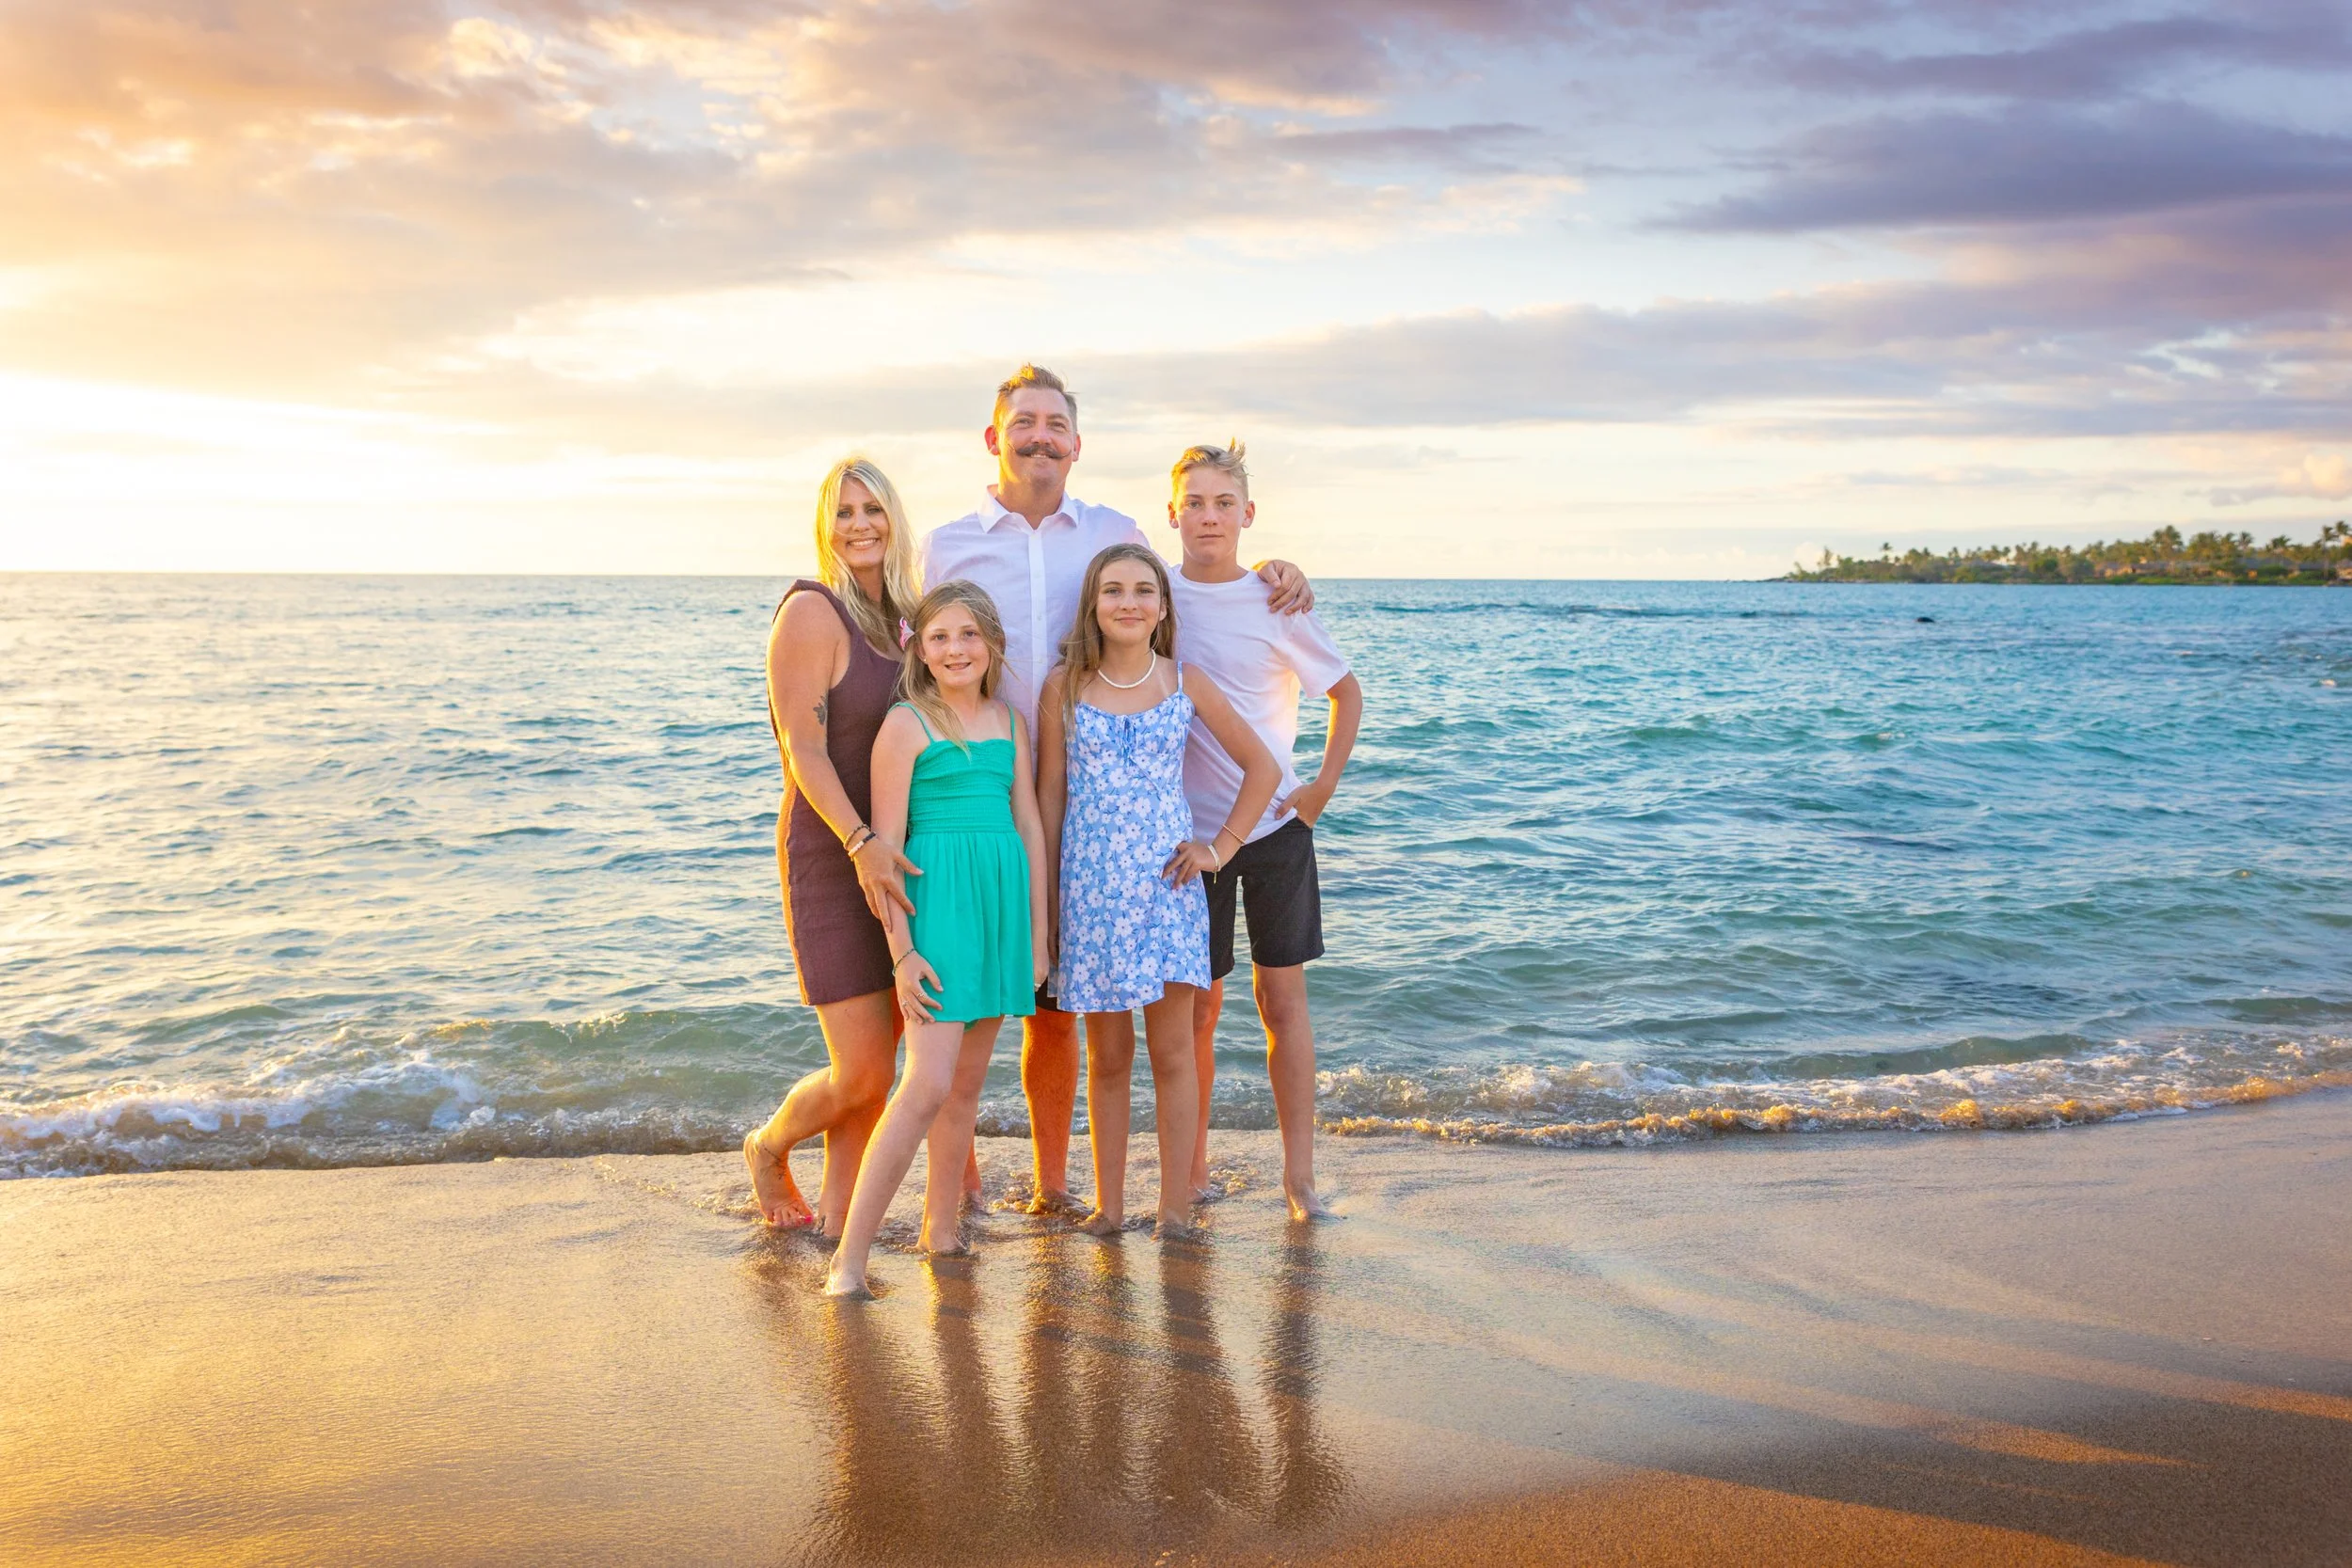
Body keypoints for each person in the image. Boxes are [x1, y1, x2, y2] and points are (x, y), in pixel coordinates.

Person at [913, 364, 1312, 1212]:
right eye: (1025, 421)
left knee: (1094, 1029)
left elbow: (1180, 574)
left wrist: (1270, 569)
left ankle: (1077, 1191)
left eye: (1056, 423)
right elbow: (918, 647)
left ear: (1077, 442)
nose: (1040, 435)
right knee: (976, 1001)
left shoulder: (1111, 533)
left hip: (1152, 868)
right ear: (996, 436)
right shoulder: (947, 544)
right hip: (991, 790)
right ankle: (977, 1183)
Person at [1037, 544, 1279, 1238]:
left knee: (1173, 1053)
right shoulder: (1065, 686)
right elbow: (1051, 798)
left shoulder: (1185, 682)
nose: (1129, 602)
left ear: (1163, 607)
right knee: (1107, 1059)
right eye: (1113, 590)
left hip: (1167, 890)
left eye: (1144, 589)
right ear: (1093, 604)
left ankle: (1174, 1210)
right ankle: (1109, 1211)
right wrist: (1050, 906)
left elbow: (1260, 766)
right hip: (1089, 894)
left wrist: (1220, 848)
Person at [827, 582, 1048, 1296]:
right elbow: (885, 853)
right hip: (940, 912)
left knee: (964, 1090)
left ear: (992, 644)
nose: (956, 649)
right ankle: (849, 1261)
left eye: (969, 635)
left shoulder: (1011, 723)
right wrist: (902, 950)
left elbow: (1031, 828)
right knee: (924, 1084)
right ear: (919, 649)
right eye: (940, 637)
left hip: (1000, 913)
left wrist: (1039, 933)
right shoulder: (906, 723)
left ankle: (941, 1231)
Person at [1165, 444, 1361, 1222]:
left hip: (1277, 830)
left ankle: (1299, 1178)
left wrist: (1317, 792)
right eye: (1195, 502)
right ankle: (1193, 1168)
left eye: (1224, 502)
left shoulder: (1277, 601)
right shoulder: (1157, 597)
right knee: (1198, 1010)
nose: (1208, 516)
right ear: (1171, 512)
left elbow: (1346, 694)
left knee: (1283, 1001)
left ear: (1248, 514)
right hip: (1190, 839)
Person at [744, 457, 926, 1231]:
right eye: (844, 512)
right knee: (861, 1069)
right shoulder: (813, 612)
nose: (860, 524)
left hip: (896, 854)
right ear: (826, 526)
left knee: (879, 1074)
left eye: (873, 509)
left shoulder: (906, 617)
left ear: (895, 519)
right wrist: (859, 843)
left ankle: (838, 1217)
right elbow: (803, 750)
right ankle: (767, 1143)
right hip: (834, 855)